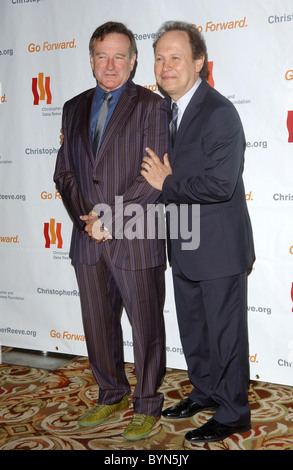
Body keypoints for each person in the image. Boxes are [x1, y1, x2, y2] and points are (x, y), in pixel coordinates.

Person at [54, 21, 169, 441]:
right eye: (102, 56)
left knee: (146, 325)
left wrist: (110, 219)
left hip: (135, 236)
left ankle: (147, 403)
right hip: (87, 236)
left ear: (134, 61)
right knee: (97, 323)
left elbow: (153, 177)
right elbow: (64, 172)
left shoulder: (152, 106)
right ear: (90, 60)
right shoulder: (72, 106)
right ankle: (111, 393)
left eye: (119, 56)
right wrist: (87, 217)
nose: (110, 64)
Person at [141, 21, 255, 444]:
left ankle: (234, 412)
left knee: (224, 334)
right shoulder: (164, 110)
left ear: (199, 63)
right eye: (159, 58)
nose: (165, 66)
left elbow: (221, 184)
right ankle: (205, 392)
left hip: (219, 249)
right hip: (184, 242)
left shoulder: (219, 111)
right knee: (194, 329)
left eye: (175, 57)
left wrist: (167, 185)